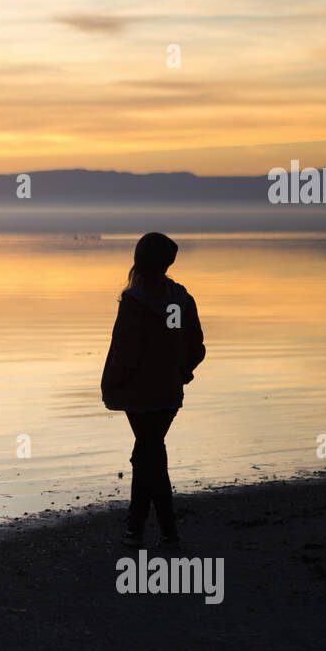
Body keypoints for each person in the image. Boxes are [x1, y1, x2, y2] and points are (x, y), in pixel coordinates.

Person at [100, 232, 205, 547]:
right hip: (169, 393)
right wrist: (181, 371)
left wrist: (113, 382)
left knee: (148, 454)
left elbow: (126, 352)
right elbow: (192, 345)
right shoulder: (180, 300)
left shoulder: (134, 302)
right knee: (149, 454)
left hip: (139, 394)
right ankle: (155, 531)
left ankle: (146, 531)